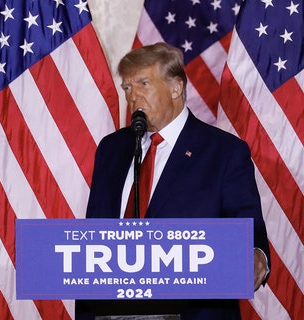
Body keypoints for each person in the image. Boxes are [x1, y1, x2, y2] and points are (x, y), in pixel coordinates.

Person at [75, 42, 271, 319]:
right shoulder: (112, 149)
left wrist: (256, 255)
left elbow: (247, 226)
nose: (133, 97)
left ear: (176, 88)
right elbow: (95, 233)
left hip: (194, 311)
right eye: (127, 88)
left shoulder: (223, 151)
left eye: (143, 83)